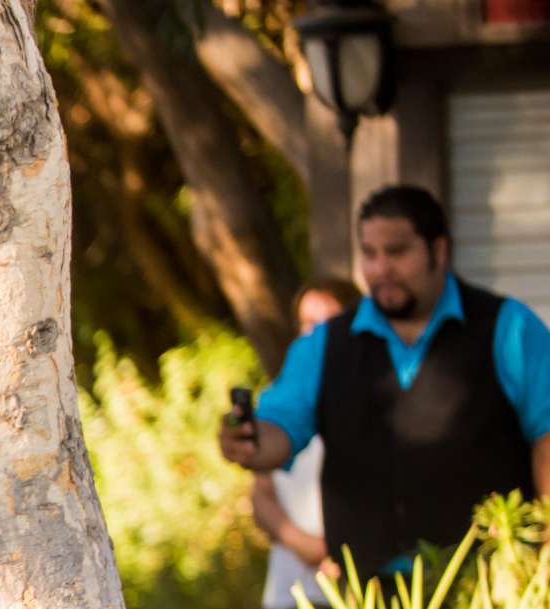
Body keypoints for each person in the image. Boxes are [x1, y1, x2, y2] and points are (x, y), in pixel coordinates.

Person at [221, 186, 550, 579]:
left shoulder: (508, 327)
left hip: (489, 590)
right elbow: (279, 428)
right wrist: (248, 441)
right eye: (370, 254)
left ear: (439, 249)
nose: (380, 269)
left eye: (396, 252)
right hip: (371, 598)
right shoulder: (326, 344)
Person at [249, 277, 360, 609]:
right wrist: (309, 547)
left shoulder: (376, 397)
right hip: (297, 587)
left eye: (327, 324)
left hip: (361, 584)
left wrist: (342, 551)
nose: (316, 335)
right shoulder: (278, 401)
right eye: (307, 324)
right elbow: (260, 496)